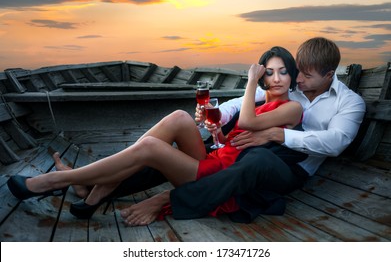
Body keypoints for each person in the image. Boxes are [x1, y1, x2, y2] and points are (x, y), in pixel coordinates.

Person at [7, 46, 303, 224]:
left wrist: (251, 82)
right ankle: (98, 186)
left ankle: (57, 181)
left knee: (149, 145)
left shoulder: (292, 109)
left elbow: (248, 121)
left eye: (282, 72)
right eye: (269, 72)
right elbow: (237, 141)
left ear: (292, 76)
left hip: (217, 176)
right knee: (178, 118)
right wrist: (218, 133)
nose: (275, 79)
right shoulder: (261, 102)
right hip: (216, 158)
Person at [116, 36, 366, 226]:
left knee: (258, 159)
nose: (298, 79)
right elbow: (240, 101)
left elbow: (335, 142)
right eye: (297, 71)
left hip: (289, 168)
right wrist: (218, 115)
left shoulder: (349, 102)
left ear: (329, 75)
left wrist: (277, 135)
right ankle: (109, 185)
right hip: (255, 148)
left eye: (307, 75)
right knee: (201, 151)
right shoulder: (293, 85)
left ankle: (170, 199)